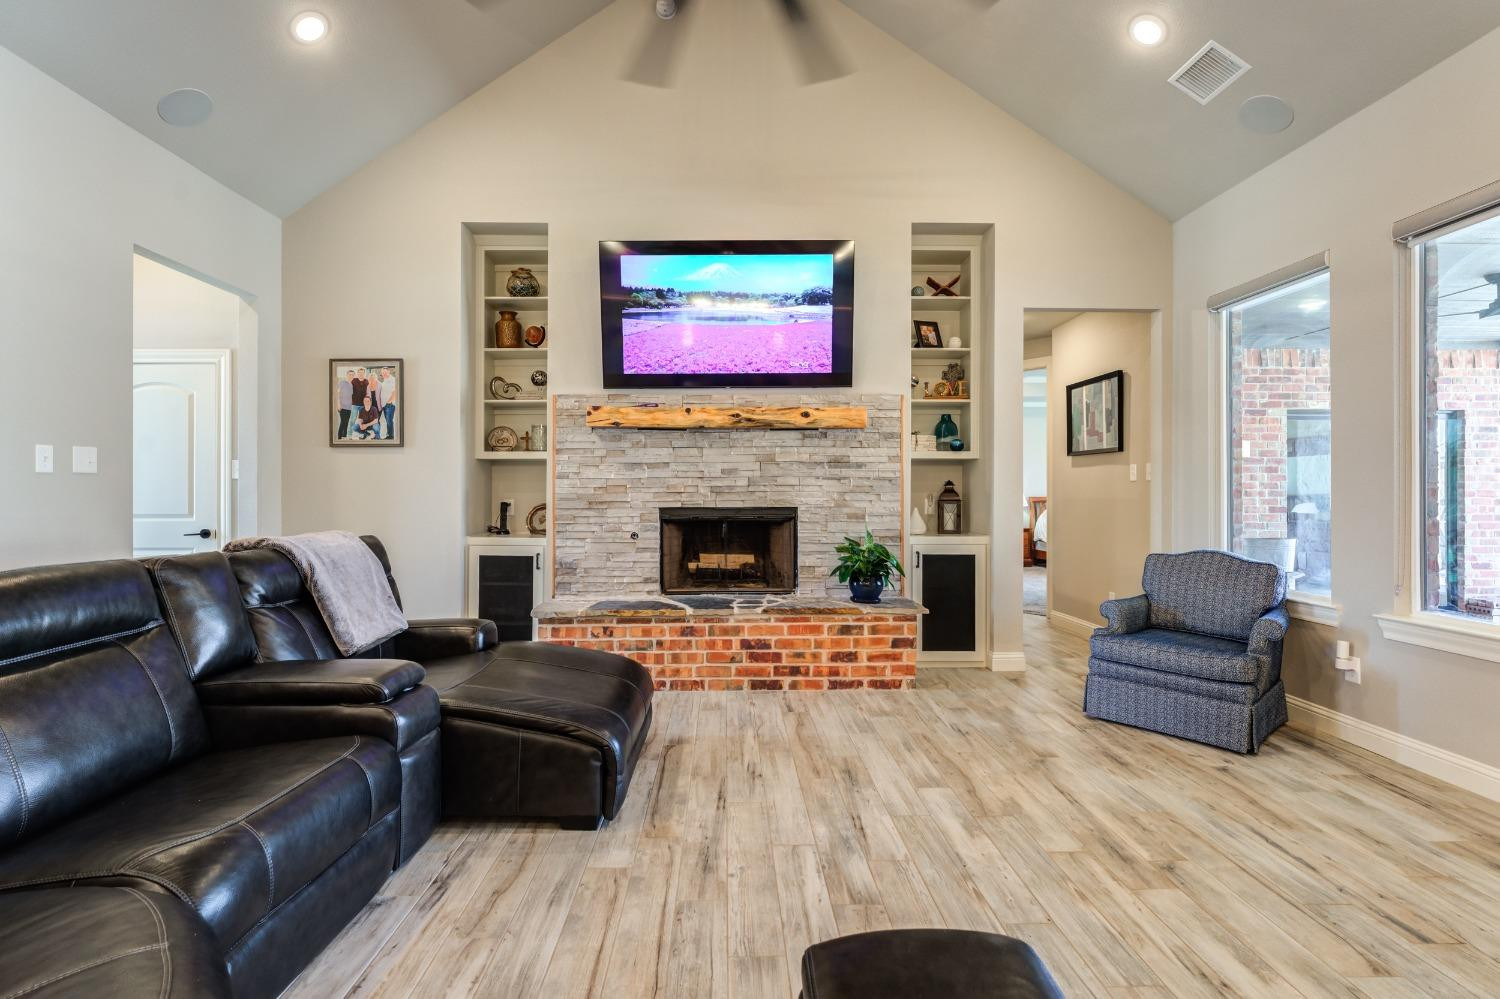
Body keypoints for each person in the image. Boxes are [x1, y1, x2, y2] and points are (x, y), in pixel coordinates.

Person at [376, 366, 399, 440]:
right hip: (384, 405)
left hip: (389, 404)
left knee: (389, 421)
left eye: (385, 372)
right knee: (386, 421)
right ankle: (388, 434)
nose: (384, 374)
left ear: (389, 372)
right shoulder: (385, 381)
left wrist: (389, 401)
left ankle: (391, 436)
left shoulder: (392, 380)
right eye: (383, 373)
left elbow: (395, 391)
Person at [336, 368, 355, 439]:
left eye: (352, 375)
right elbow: (337, 393)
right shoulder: (342, 382)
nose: (351, 376)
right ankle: (339, 437)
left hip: (349, 407)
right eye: (350, 375)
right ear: (347, 375)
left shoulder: (351, 385)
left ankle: (344, 436)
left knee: (346, 422)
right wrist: (338, 404)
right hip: (342, 406)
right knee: (343, 422)